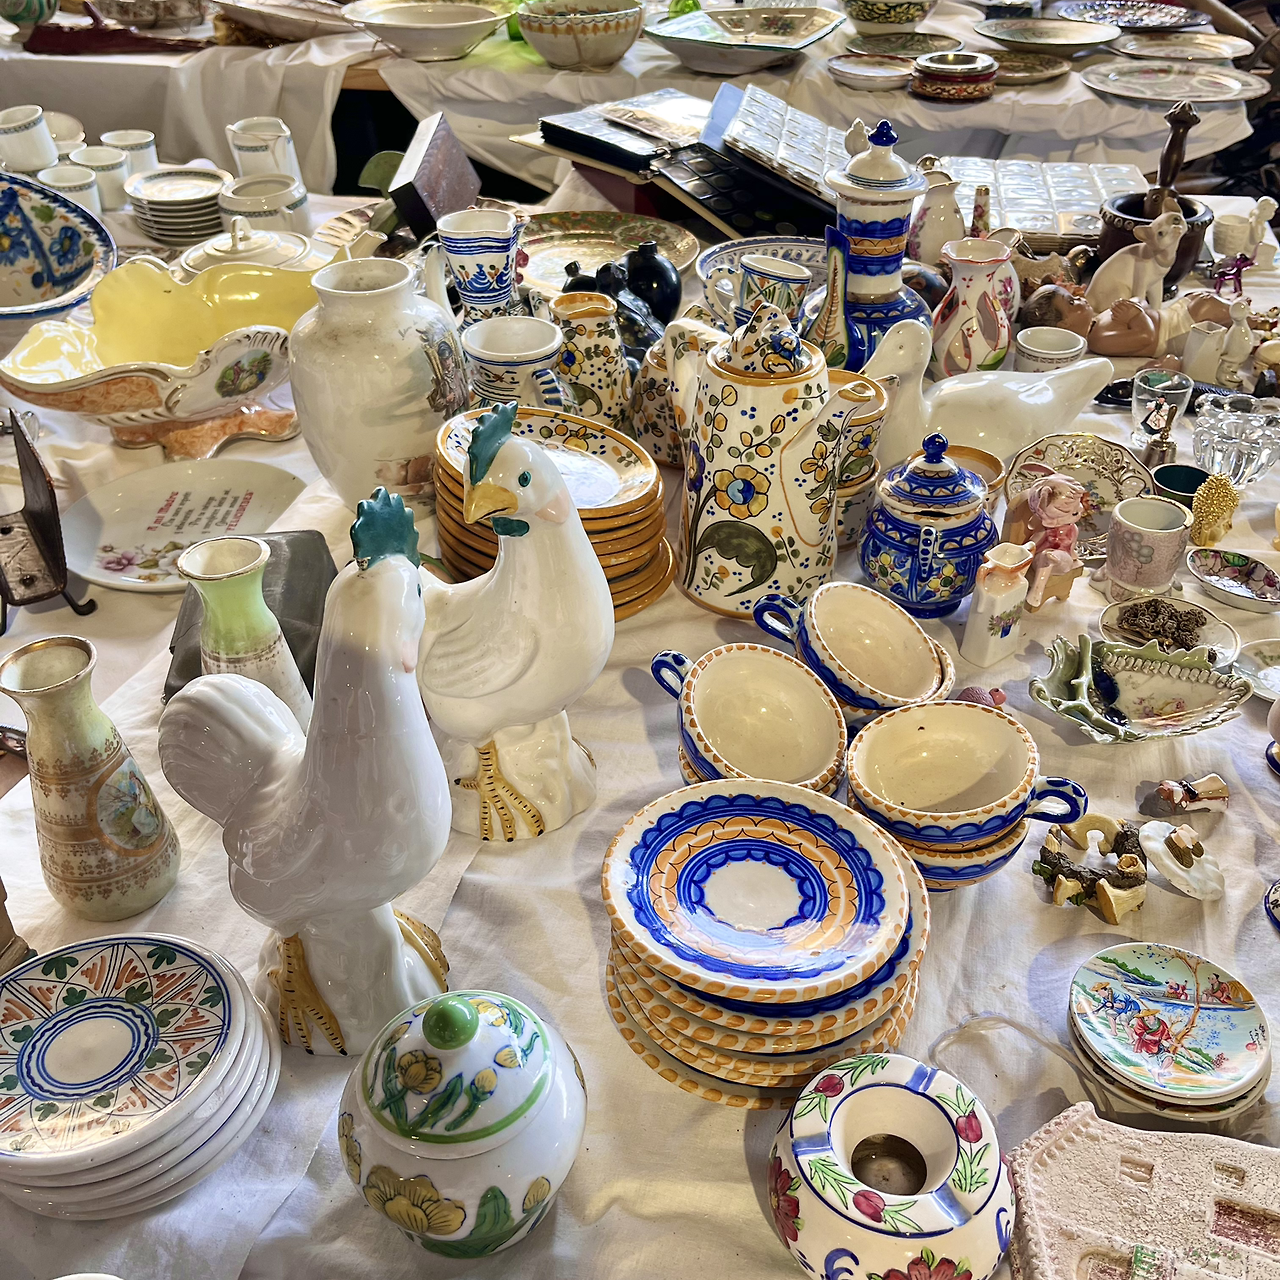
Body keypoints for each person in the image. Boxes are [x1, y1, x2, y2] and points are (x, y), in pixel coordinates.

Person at [1021, 283, 1237, 361]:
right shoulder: (1100, 340)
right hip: (1174, 333)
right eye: (1071, 302)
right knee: (1206, 305)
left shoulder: (1096, 321)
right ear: (1064, 324)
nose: (1079, 299)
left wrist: (1135, 303)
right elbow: (1146, 337)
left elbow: (1140, 305)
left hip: (1170, 315)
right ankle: (1244, 317)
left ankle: (1236, 312)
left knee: (1197, 297)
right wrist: (1136, 315)